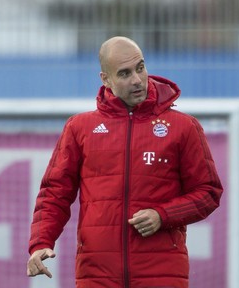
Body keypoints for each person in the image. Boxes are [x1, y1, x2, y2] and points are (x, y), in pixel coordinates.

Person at [27, 36, 223, 288]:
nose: (137, 80)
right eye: (124, 73)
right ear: (105, 79)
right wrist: (41, 243)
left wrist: (162, 215)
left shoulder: (183, 127)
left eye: (140, 68)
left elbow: (209, 192)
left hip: (163, 274)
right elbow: (55, 192)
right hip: (96, 275)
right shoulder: (79, 128)